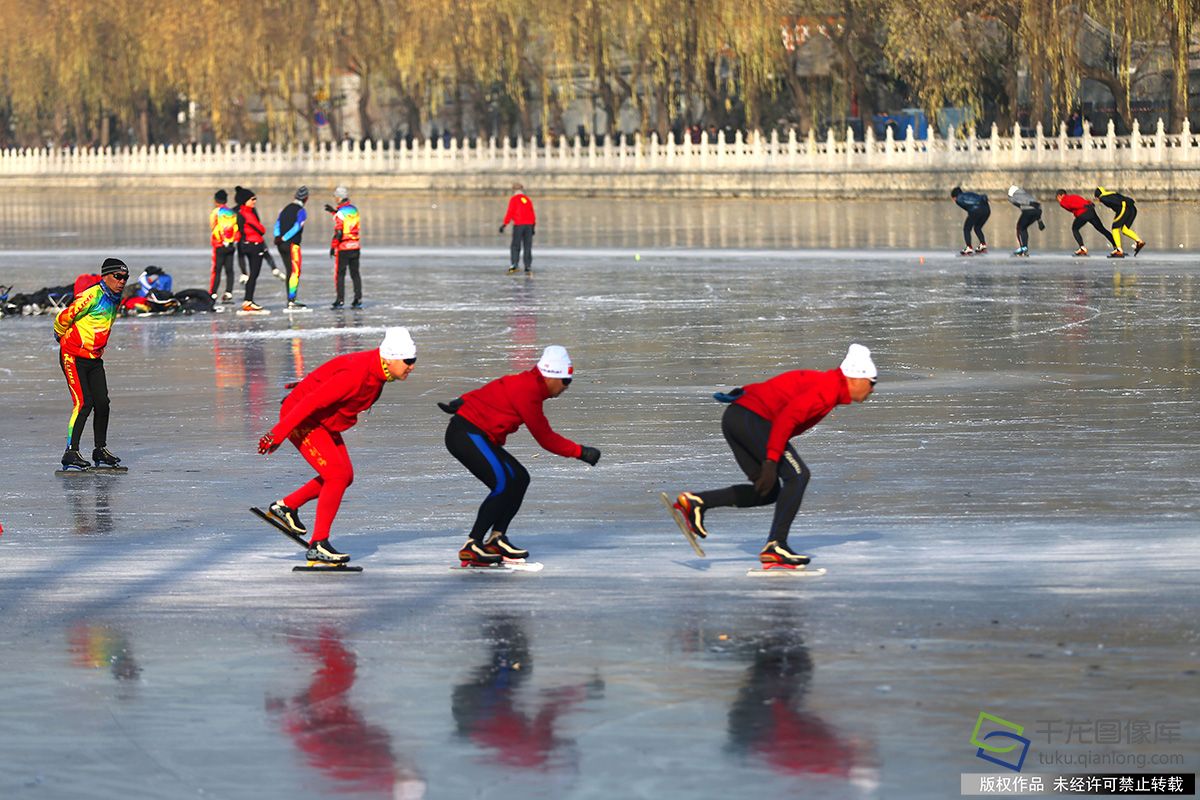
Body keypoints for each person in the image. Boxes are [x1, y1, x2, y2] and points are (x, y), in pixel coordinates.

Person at [669, 344, 878, 568]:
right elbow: (787, 418)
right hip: (751, 419)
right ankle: (776, 545)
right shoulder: (827, 389)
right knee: (798, 476)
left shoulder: (829, 386)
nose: (872, 389)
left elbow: (780, 395)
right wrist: (771, 460)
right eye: (872, 382)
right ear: (856, 378)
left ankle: (697, 502)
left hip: (739, 418)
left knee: (767, 491)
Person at [256, 327, 417, 563]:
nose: (411, 366)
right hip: (302, 418)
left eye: (414, 360)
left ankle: (287, 506)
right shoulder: (357, 374)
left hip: (322, 421)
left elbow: (327, 378)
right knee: (337, 476)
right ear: (391, 357)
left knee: (344, 476)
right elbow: (311, 401)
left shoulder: (378, 370)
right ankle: (318, 543)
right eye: (408, 360)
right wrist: (278, 433)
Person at [439, 345, 601, 566]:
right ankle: (473, 544)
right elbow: (545, 438)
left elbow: (499, 386)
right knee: (504, 483)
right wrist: (581, 452)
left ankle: (496, 538)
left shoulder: (527, 382)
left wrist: (464, 399)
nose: (566, 387)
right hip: (466, 434)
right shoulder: (529, 391)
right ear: (551, 376)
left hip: (478, 435)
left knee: (520, 478)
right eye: (566, 381)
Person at [53, 258, 129, 471]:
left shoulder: (115, 298)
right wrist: (61, 337)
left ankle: (99, 450)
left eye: (125, 277)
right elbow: (63, 317)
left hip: (94, 358)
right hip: (72, 356)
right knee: (83, 402)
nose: (122, 281)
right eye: (118, 276)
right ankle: (71, 452)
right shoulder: (92, 295)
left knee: (102, 403)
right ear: (106, 276)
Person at [324, 186, 362, 309]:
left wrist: (333, 246)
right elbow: (348, 221)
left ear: (340, 197)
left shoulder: (340, 213)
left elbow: (339, 231)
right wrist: (333, 212)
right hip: (355, 246)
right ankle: (358, 298)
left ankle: (340, 300)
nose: (334, 199)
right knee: (355, 274)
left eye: (335, 197)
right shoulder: (354, 210)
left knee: (340, 274)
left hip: (344, 247)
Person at [274, 185, 310, 309]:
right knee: (295, 271)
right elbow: (297, 227)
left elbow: (277, 223)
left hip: (280, 245)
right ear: (306, 199)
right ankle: (292, 299)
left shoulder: (285, 209)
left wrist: (277, 236)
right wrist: (285, 237)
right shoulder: (302, 211)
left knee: (289, 271)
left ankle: (290, 298)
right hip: (292, 245)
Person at [235, 186, 270, 312]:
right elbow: (262, 229)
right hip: (254, 245)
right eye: (252, 199)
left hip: (248, 244)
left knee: (253, 274)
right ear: (245, 200)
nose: (255, 201)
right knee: (254, 274)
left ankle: (248, 300)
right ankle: (248, 301)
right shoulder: (247, 213)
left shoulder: (241, 212)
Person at [1055, 189, 1115, 256]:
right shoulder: (1074, 196)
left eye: (1057, 197)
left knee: (1075, 229)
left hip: (1083, 213)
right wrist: (1090, 204)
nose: (1057, 199)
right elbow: (1083, 201)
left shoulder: (1063, 201)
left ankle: (1082, 248)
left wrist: (1083, 206)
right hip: (1090, 210)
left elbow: (1071, 206)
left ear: (1061, 195)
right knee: (1102, 229)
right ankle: (1116, 246)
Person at [1094, 187, 1146, 258]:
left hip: (1124, 208)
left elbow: (1118, 202)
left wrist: (1122, 206)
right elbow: (1121, 199)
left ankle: (1118, 250)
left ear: (1098, 195)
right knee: (1125, 229)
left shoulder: (1103, 197)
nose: (1097, 200)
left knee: (1115, 228)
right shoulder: (1111, 193)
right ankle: (1139, 241)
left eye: (1096, 198)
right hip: (1132, 208)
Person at [499, 182, 536, 274]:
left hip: (519, 225)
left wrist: (504, 224)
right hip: (529, 225)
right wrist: (533, 226)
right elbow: (532, 213)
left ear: (514, 190)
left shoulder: (514, 199)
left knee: (515, 246)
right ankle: (527, 266)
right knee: (527, 246)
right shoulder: (527, 199)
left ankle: (514, 265)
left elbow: (510, 212)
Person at [209, 189, 238, 302]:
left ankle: (214, 293)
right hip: (230, 244)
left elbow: (213, 226)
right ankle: (229, 292)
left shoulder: (215, 212)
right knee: (229, 269)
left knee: (217, 269)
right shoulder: (231, 212)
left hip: (219, 244)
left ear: (216, 200)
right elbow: (235, 228)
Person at [1006, 185, 1044, 257]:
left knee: (1020, 228)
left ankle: (1023, 248)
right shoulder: (1027, 195)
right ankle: (1025, 248)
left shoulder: (1012, 196)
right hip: (1038, 211)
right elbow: (1037, 204)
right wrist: (1039, 221)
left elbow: (1016, 201)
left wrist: (1029, 203)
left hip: (1028, 211)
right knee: (1023, 228)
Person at [950, 187, 989, 255]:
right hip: (987, 210)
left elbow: (969, 206)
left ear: (954, 196)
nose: (953, 200)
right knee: (977, 228)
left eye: (953, 198)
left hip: (976, 210)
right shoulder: (968, 194)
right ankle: (983, 245)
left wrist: (972, 212)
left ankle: (969, 247)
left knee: (966, 229)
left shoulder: (959, 199)